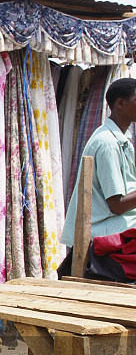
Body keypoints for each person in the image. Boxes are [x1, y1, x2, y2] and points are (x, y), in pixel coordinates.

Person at [61, 77, 136, 250]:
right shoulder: (108, 143)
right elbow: (117, 205)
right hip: (100, 228)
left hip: (112, 222)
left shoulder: (115, 139)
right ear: (120, 104)